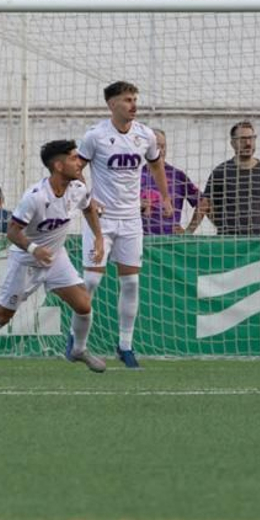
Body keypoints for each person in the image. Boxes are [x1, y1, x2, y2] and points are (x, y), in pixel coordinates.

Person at [0, 140, 107, 376]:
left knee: (84, 305)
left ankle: (78, 350)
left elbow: (88, 208)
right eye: (74, 158)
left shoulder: (78, 188)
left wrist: (99, 237)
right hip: (26, 261)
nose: (79, 162)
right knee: (3, 315)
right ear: (58, 165)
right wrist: (34, 249)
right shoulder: (34, 197)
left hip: (56, 258)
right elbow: (12, 231)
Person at [76, 80, 168, 369]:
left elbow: (155, 165)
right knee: (91, 280)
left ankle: (125, 346)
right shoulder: (95, 136)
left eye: (135, 99)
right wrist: (88, 199)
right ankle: (76, 342)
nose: (134, 105)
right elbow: (75, 168)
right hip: (100, 220)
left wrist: (165, 197)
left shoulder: (146, 135)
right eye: (128, 99)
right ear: (111, 104)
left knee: (131, 282)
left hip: (131, 220)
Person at [189, 120, 260, 237]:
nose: (248, 143)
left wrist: (258, 222)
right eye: (243, 139)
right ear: (233, 143)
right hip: (229, 243)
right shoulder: (221, 172)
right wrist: (223, 224)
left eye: (252, 138)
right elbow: (208, 205)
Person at [140, 128, 200, 235]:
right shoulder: (136, 174)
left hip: (170, 244)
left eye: (163, 146)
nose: (161, 151)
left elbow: (202, 201)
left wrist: (189, 231)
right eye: (157, 146)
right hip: (141, 240)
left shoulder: (177, 175)